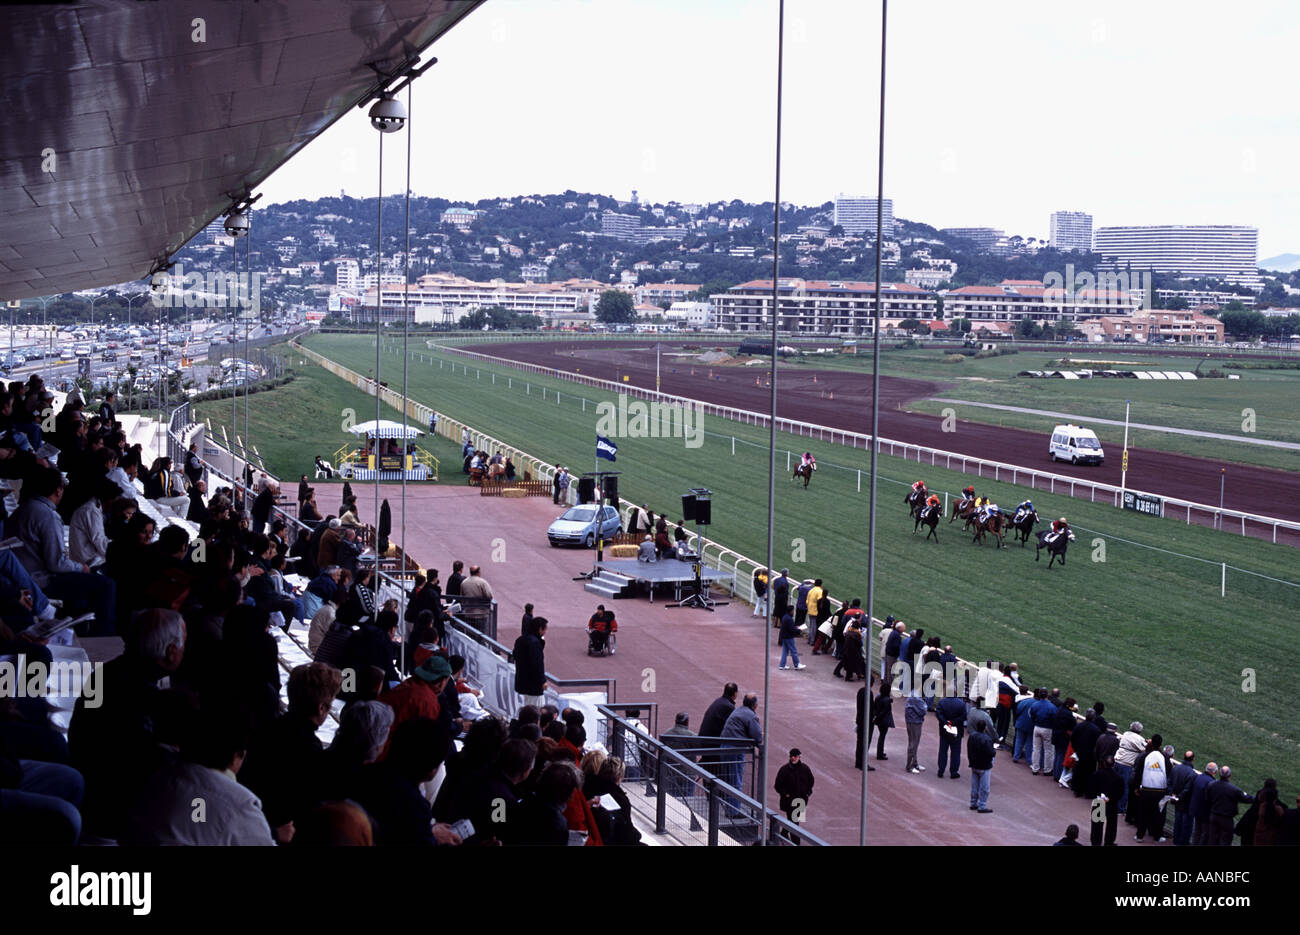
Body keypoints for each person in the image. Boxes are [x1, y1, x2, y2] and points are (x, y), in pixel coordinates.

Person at [720, 693, 762, 796]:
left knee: (728, 780)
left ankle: (729, 808)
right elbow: (758, 737)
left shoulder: (738, 710)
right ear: (755, 705)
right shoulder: (751, 715)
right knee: (735, 781)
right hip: (735, 749)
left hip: (724, 747)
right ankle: (733, 810)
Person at [774, 748, 814, 844]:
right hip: (789, 801)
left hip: (801, 800)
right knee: (794, 822)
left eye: (795, 756)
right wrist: (785, 794)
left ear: (799, 757)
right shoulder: (784, 770)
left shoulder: (805, 768)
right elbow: (778, 785)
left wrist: (808, 792)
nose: (793, 758)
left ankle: (783, 834)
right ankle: (795, 842)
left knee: (793, 820)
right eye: (792, 756)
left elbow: (811, 780)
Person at [1205, 766, 1253, 846]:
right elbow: (1247, 799)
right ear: (1229, 776)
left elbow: (1207, 798)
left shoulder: (1211, 785)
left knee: (1212, 839)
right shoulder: (1234, 790)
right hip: (1226, 820)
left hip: (1213, 816)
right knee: (1225, 841)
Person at [1090, 756, 1125, 846]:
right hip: (1112, 804)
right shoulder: (1118, 778)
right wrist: (1111, 798)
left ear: (1104, 763)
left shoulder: (1097, 774)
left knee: (1097, 825)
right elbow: (1121, 792)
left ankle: (1095, 842)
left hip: (1099, 802)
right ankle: (1109, 842)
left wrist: (1098, 795)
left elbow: (1091, 788)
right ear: (1113, 765)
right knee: (1111, 825)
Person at [513, 616, 548, 707]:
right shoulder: (535, 643)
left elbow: (515, 655)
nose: (545, 632)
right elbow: (537, 664)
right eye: (545, 629)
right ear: (540, 629)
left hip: (522, 680)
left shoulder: (520, 639)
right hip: (533, 685)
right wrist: (542, 681)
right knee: (536, 709)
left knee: (528, 706)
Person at [936, 691, 966, 779]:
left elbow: (938, 714)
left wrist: (946, 722)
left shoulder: (942, 702)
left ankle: (941, 770)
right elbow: (964, 716)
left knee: (943, 751)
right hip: (956, 730)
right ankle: (954, 772)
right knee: (956, 752)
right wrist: (953, 722)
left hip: (944, 730)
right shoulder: (961, 703)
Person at [967, 721, 995, 813]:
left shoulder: (972, 736)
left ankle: (973, 803)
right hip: (984, 765)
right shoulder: (987, 739)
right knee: (984, 787)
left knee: (975, 785)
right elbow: (991, 752)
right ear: (985, 728)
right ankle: (982, 805)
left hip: (974, 764)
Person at [1189, 762, 1219, 846]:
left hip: (1196, 809)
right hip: (1205, 812)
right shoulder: (1212, 782)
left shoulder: (1198, 777)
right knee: (1204, 833)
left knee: (1197, 831)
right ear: (1214, 772)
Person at [904, 691, 927, 774]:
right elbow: (923, 710)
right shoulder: (916, 697)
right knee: (913, 744)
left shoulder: (914, 694)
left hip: (913, 720)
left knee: (913, 743)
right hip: (914, 722)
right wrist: (924, 704)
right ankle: (909, 766)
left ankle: (914, 763)